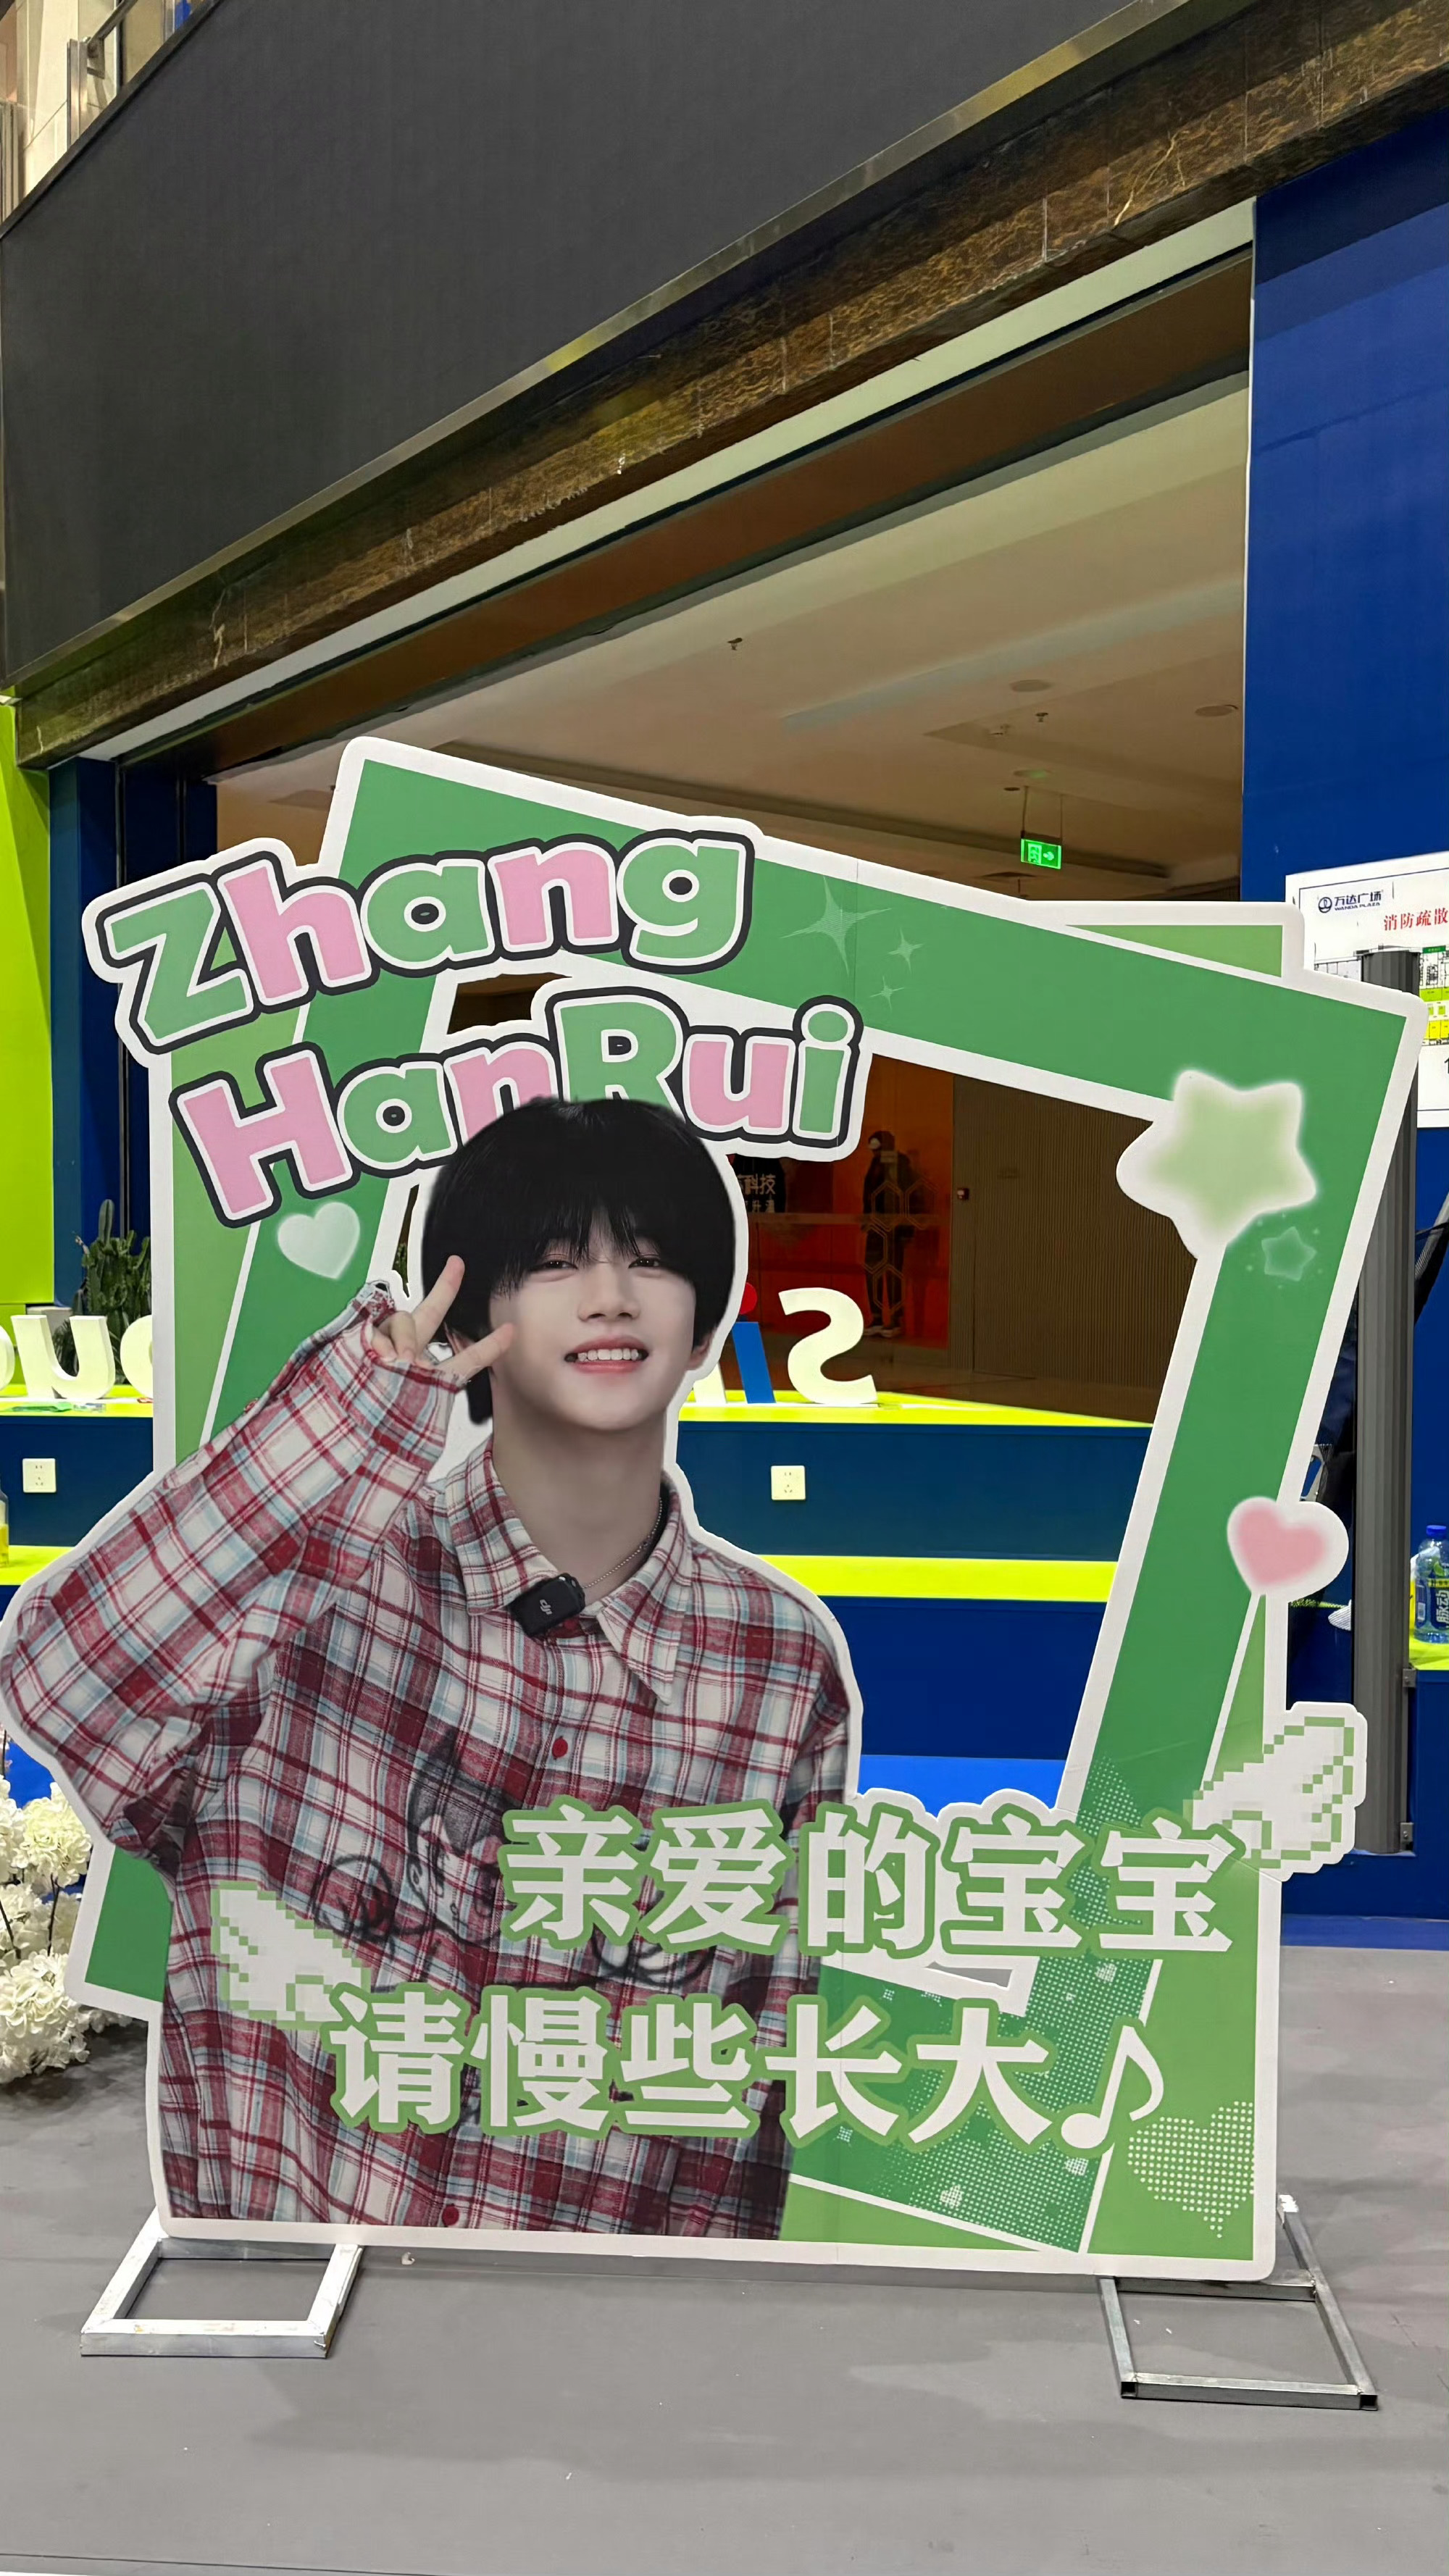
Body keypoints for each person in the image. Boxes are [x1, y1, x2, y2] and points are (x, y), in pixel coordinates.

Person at [0, 1100, 853, 2236]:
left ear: (703, 1325)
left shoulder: (775, 1662)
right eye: (555, 1262)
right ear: (478, 1307)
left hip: (595, 2314)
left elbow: (752, 2063)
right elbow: (62, 1682)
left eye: (651, 1260)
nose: (610, 1295)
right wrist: (353, 1410)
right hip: (296, 2297)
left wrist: (702, 2312)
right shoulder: (327, 1580)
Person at [861, 1129, 922, 1339]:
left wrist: (906, 1229)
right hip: (877, 1227)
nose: (877, 1154)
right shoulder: (876, 1165)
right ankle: (878, 1318)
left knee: (892, 1273)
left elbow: (910, 1198)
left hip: (894, 1228)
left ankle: (895, 1319)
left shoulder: (900, 1167)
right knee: (874, 1271)